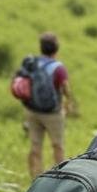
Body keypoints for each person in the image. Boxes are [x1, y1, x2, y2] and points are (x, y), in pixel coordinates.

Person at [25, 32, 78, 178]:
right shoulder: (58, 68)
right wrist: (69, 103)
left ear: (41, 48)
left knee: (35, 147)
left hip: (33, 112)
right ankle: (58, 178)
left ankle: (35, 178)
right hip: (53, 114)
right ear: (56, 49)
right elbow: (65, 88)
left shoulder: (33, 63)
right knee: (57, 145)